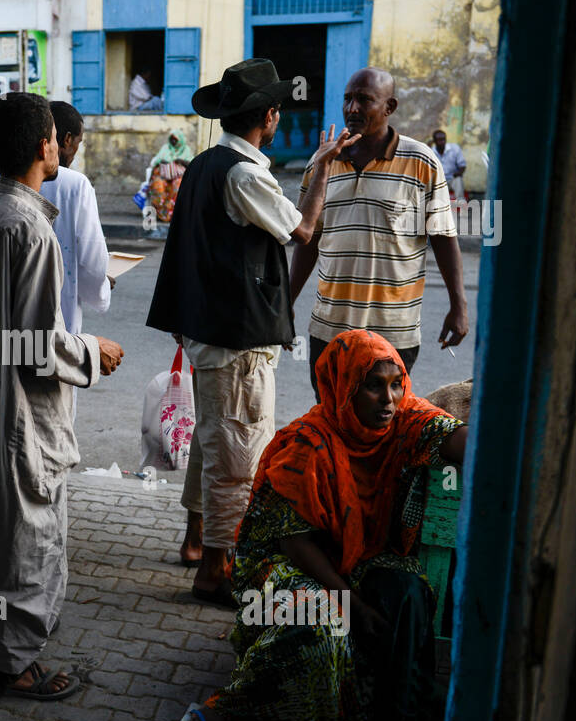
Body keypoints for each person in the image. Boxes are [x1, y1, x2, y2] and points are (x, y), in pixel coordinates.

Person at [178, 330, 468, 721]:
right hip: (291, 566)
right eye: (374, 385)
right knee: (319, 624)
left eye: (397, 383)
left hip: (366, 558)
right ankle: (233, 708)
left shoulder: (406, 420)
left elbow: (455, 439)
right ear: (344, 387)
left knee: (410, 591)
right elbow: (295, 542)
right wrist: (350, 602)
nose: (389, 398)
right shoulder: (307, 444)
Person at [146, 58, 357, 602]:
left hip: (209, 333)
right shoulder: (245, 174)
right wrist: (323, 170)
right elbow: (302, 229)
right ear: (267, 115)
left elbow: (186, 253)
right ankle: (216, 569)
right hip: (236, 341)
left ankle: (198, 541)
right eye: (277, 110)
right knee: (237, 457)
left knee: (213, 442)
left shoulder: (203, 165)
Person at [0, 92, 124, 701]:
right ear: (47, 146)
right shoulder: (30, 230)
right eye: (53, 134)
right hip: (21, 413)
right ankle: (8, 664)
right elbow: (38, 346)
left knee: (1, 528)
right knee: (30, 537)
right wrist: (94, 351)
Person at [290, 67, 468, 396]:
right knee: (330, 423)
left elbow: (443, 237)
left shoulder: (422, 162)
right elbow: (308, 237)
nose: (352, 108)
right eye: (348, 99)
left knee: (383, 430)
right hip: (330, 330)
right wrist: (286, 301)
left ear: (390, 107)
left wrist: (459, 306)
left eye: (365, 100)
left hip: (394, 334)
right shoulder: (322, 163)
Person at [0, 100, 111, 339]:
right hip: (52, 329)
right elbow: (92, 262)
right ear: (48, 144)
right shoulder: (75, 186)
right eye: (53, 139)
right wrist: (103, 286)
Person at [143, 127, 193, 224]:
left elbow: (191, 164)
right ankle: (161, 214)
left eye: (176, 139)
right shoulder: (165, 148)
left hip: (178, 177)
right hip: (163, 176)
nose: (173, 141)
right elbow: (156, 162)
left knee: (179, 185)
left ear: (181, 140)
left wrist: (181, 161)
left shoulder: (186, 150)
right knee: (158, 185)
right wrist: (163, 162)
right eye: (172, 139)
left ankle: (174, 215)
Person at [432, 129, 467, 203]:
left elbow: (462, 165)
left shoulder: (455, 148)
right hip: (439, 180)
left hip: (452, 178)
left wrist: (458, 173)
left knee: (458, 179)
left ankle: (462, 204)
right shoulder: (431, 152)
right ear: (434, 141)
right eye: (439, 140)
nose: (442, 142)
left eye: (443, 139)